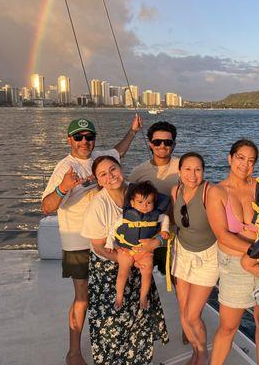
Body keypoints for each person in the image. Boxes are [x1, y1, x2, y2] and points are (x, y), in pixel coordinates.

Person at [41, 115, 142, 365]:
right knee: (83, 297)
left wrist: (132, 131)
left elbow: (119, 151)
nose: (84, 141)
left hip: (107, 240)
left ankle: (115, 344)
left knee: (111, 296)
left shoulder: (102, 159)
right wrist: (64, 187)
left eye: (89, 137)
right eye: (78, 137)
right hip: (78, 243)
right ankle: (73, 352)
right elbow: (46, 207)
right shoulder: (64, 167)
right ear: (69, 139)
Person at [80, 156, 168, 365]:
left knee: (139, 318)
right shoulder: (99, 205)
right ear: (98, 180)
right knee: (112, 324)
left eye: (113, 169)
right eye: (103, 174)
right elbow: (99, 245)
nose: (110, 176)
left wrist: (155, 243)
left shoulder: (137, 191)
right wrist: (126, 259)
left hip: (140, 264)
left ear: (121, 168)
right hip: (109, 269)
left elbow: (161, 220)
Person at [207, 140, 259, 365]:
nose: (245, 164)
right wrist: (256, 246)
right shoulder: (217, 191)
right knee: (228, 327)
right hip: (234, 265)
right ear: (230, 158)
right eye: (240, 157)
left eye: (251, 160)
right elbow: (222, 235)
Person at [171, 152, 217, 365]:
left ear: (203, 172)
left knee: (192, 315)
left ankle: (203, 353)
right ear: (179, 172)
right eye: (187, 169)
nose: (192, 174)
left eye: (198, 169)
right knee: (184, 311)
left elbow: (224, 227)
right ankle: (195, 351)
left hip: (207, 257)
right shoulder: (175, 191)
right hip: (182, 253)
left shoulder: (210, 192)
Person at [129, 121, 179, 275]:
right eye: (157, 142)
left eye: (167, 142)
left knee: (175, 279)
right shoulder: (138, 172)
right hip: (142, 237)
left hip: (171, 237)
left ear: (174, 144)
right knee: (141, 280)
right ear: (150, 144)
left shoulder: (183, 168)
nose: (162, 145)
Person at [109, 181, 170, 310]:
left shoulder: (157, 216)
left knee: (147, 271)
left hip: (145, 251)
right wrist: (111, 244)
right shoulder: (124, 217)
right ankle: (119, 296)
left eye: (149, 203)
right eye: (140, 202)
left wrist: (165, 230)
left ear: (154, 203)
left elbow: (165, 219)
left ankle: (143, 296)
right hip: (126, 249)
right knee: (123, 272)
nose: (145, 206)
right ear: (132, 203)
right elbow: (113, 229)